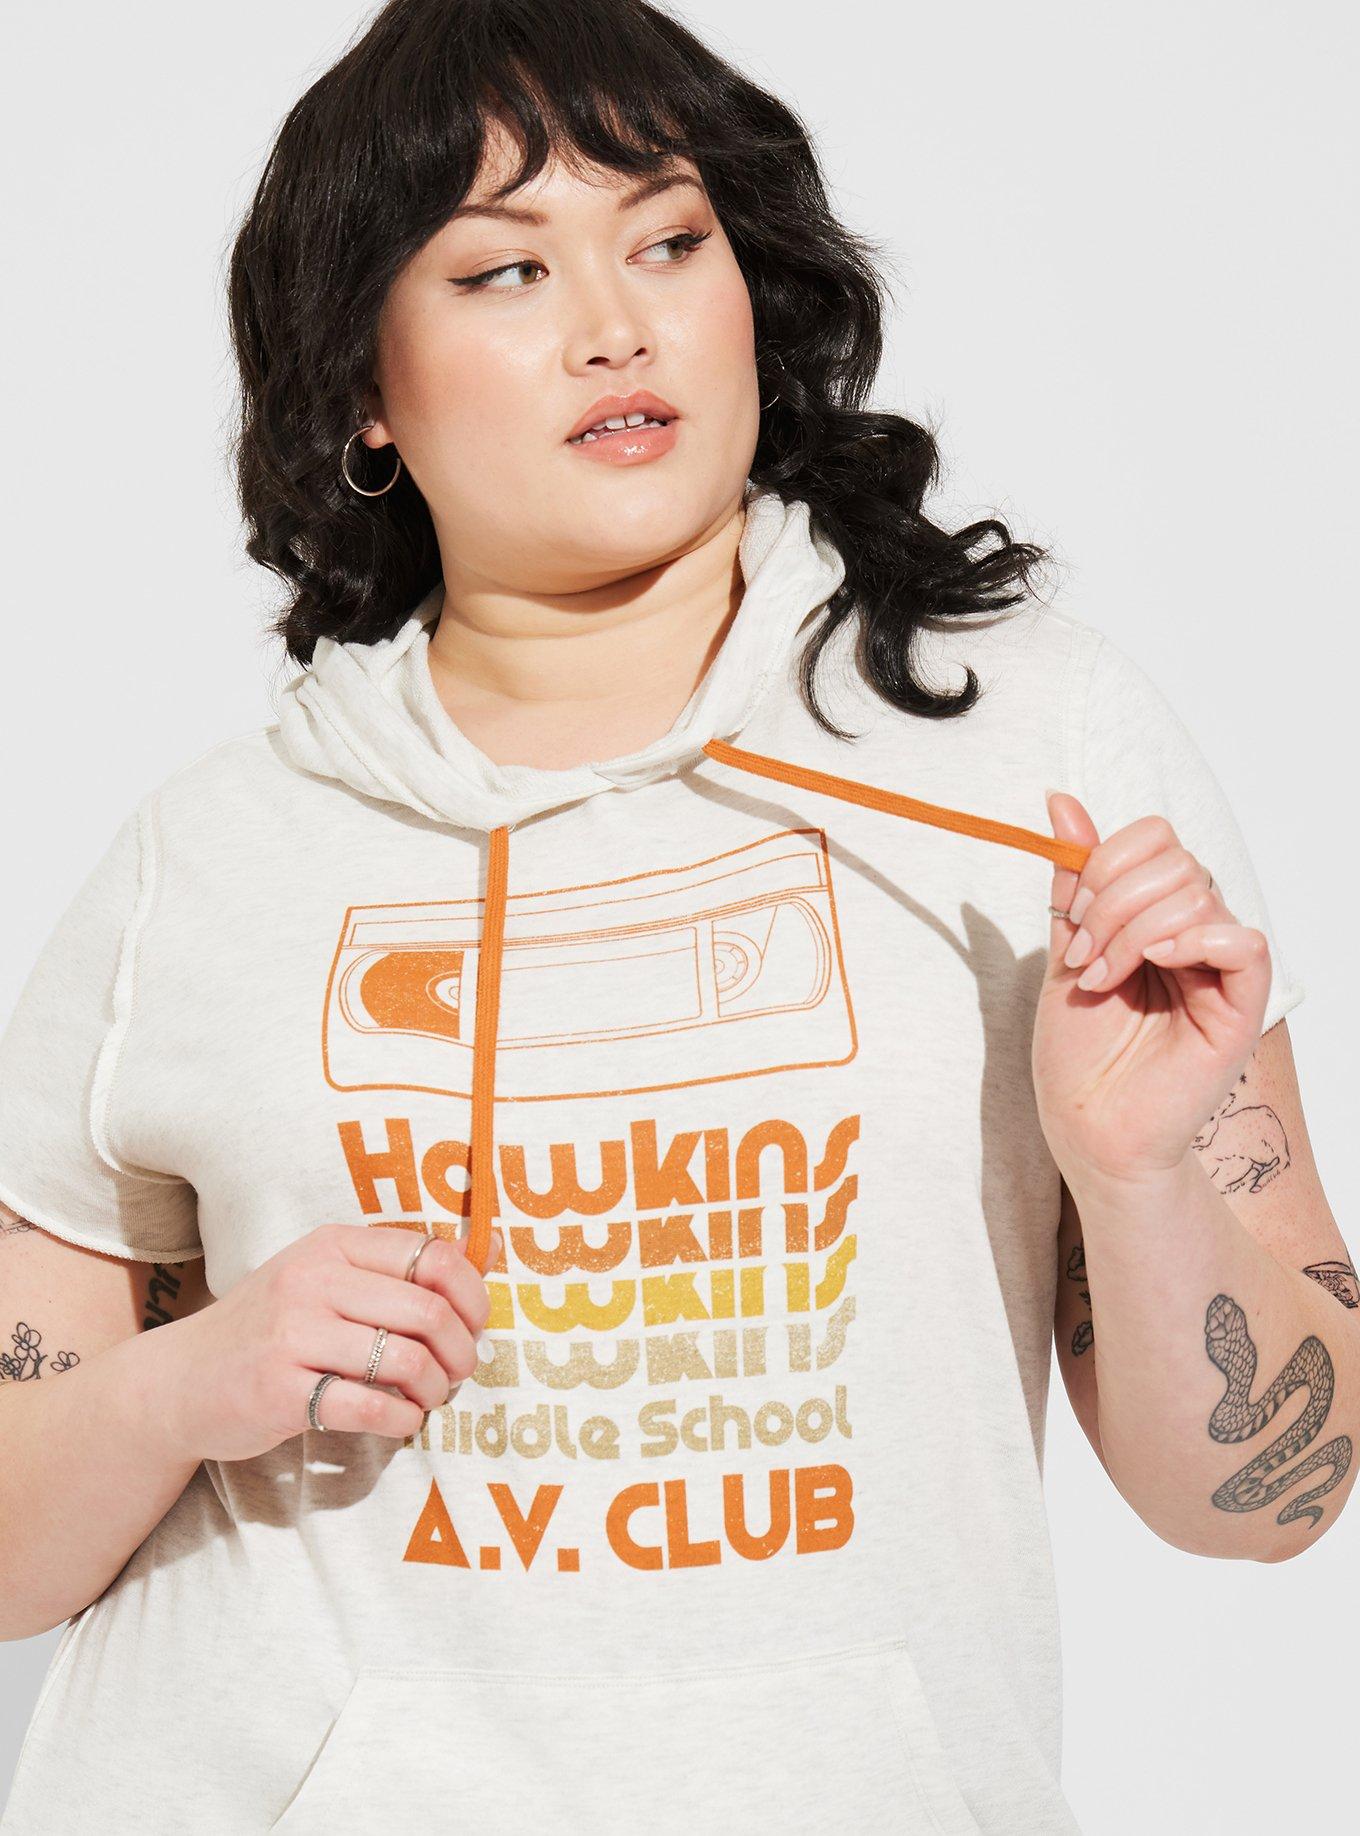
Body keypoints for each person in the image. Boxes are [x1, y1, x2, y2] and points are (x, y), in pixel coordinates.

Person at [1, 1, 1351, 1830]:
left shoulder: (1033, 755)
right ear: (362, 388)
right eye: (502, 269)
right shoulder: (208, 858)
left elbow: (1273, 1501)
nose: (615, 324)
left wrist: (1137, 1177)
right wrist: (192, 1384)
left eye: (669, 240)